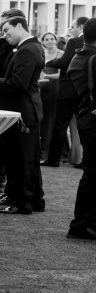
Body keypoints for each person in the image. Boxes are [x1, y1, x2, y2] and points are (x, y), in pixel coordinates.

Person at [0, 15, 45, 214]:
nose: (4, 36)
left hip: (23, 111)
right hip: (22, 109)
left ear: (19, 26)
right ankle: (24, 197)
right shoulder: (28, 47)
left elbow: (18, 84)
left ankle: (23, 202)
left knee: (22, 159)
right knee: (18, 157)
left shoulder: (28, 50)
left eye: (7, 31)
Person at [0, 8, 26, 190]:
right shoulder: (3, 45)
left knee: (8, 144)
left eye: (5, 25)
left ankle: (5, 180)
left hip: (12, 98)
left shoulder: (17, 47)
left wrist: (1, 43)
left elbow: (1, 69)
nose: (2, 30)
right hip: (0, 96)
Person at [43, 17, 88, 167]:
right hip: (84, 90)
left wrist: (49, 63)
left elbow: (64, 62)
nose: (70, 29)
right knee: (83, 125)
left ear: (81, 27)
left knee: (60, 124)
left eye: (72, 26)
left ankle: (53, 159)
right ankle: (83, 159)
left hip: (68, 89)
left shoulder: (74, 42)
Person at [66, 17, 96, 239]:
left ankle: (85, 222)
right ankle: (82, 225)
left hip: (87, 117)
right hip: (92, 119)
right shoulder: (91, 58)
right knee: (93, 173)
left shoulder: (79, 56)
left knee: (92, 172)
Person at [38, 31, 64, 159]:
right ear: (42, 41)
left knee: (50, 119)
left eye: (51, 39)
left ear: (56, 40)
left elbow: (62, 74)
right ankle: (40, 149)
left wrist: (48, 76)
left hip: (54, 88)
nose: (49, 41)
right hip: (41, 88)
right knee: (41, 118)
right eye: (46, 39)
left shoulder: (61, 54)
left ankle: (47, 151)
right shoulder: (41, 53)